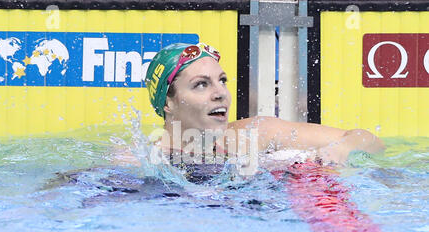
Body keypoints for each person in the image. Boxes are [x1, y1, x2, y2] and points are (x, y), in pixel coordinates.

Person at [118, 42, 385, 174]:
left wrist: (342, 149)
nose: (220, 93)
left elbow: (371, 142)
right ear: (168, 101)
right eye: (201, 85)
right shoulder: (139, 160)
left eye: (221, 81)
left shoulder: (256, 134)